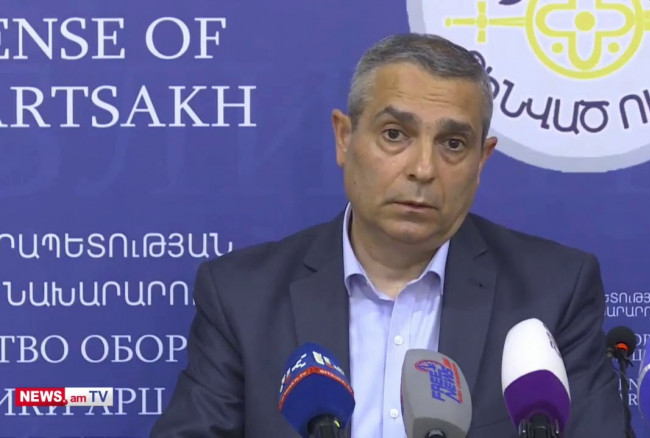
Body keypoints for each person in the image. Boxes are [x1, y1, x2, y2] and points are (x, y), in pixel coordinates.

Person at [150, 33, 625, 437]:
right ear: (344, 138)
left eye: (453, 143)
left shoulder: (553, 292)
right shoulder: (243, 296)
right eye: (395, 134)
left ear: (482, 161)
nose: (423, 169)